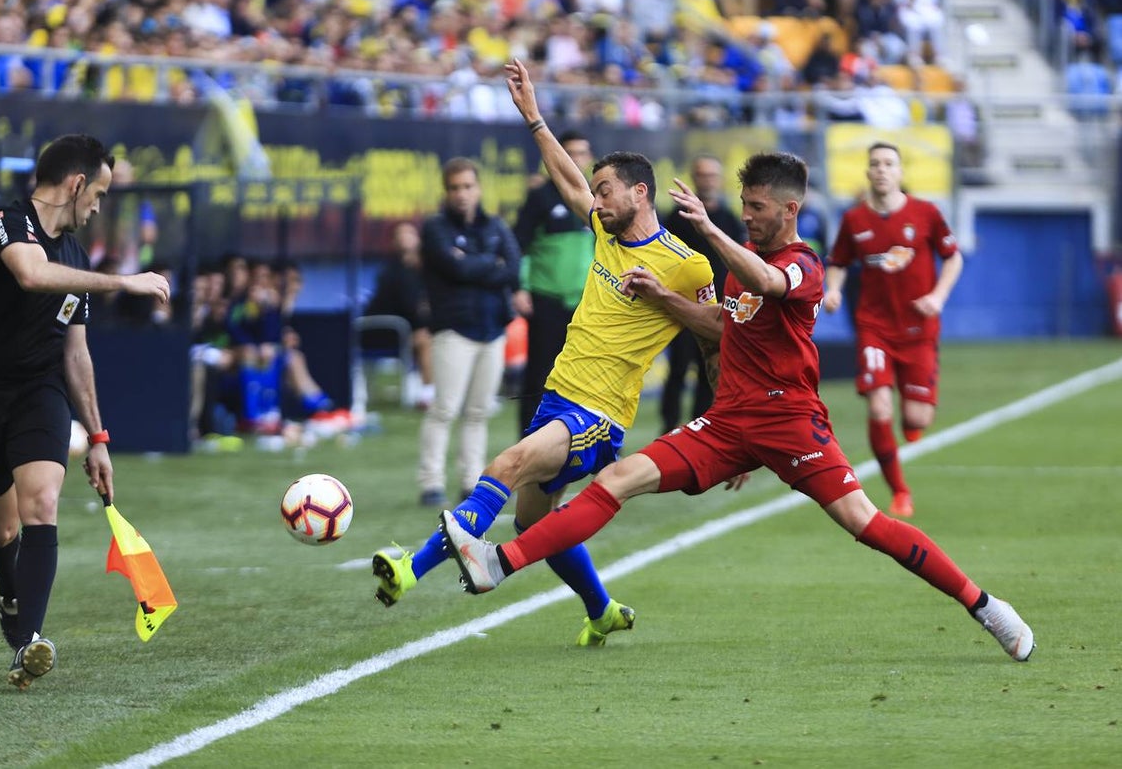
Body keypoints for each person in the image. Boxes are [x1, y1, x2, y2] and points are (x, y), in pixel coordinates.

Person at [441, 151, 1034, 663]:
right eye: (743, 205)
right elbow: (723, 334)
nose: (747, 215)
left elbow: (769, 285)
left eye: (757, 207)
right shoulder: (739, 263)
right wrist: (671, 299)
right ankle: (501, 562)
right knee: (618, 478)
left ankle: (983, 605)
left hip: (791, 422)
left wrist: (710, 228)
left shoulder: (802, 263)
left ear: (789, 210)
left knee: (864, 524)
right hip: (727, 424)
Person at [373, 58, 716, 646]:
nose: (596, 198)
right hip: (559, 397)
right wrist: (533, 117)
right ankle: (602, 609)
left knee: (502, 466)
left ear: (640, 192)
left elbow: (716, 330)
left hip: (599, 415)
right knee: (537, 523)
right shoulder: (608, 232)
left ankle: (410, 569)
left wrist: (726, 410)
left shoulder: (687, 265)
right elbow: (569, 181)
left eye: (607, 189)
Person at [0, 133, 171, 689]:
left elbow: (75, 354)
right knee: (3, 528)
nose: (99, 207)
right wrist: (123, 283)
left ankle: (28, 644)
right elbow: (31, 274)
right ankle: (12, 593)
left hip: (38, 391)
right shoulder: (4, 223)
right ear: (77, 183)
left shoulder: (77, 257)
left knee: (41, 503)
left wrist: (99, 437)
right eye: (100, 194)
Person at [822, 142, 963, 518]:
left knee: (917, 420)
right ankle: (899, 491)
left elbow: (953, 257)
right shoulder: (854, 220)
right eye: (875, 164)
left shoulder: (926, 213)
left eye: (889, 163)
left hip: (919, 328)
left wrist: (938, 296)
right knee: (880, 406)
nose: (882, 169)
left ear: (900, 172)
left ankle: (914, 418)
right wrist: (833, 289)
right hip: (875, 327)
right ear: (868, 173)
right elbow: (837, 262)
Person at [415, 157, 522, 508]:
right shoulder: (435, 228)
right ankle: (431, 482)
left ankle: (470, 480)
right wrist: (491, 264)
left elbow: (514, 267)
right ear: (446, 192)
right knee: (444, 408)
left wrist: (474, 264)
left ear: (478, 188)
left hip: (492, 329)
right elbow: (454, 268)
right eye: (455, 188)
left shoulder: (494, 225)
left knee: (478, 411)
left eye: (467, 186)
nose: (462, 194)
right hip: (454, 330)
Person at [511, 130, 595, 434]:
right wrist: (520, 287)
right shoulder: (540, 198)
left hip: (586, 302)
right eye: (568, 153)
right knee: (539, 376)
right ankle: (528, 438)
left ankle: (585, 440)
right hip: (546, 298)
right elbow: (518, 245)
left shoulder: (596, 199)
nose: (575, 159)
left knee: (588, 376)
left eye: (581, 153)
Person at [658, 153, 746, 435]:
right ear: (694, 178)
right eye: (702, 175)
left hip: (717, 309)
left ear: (719, 180)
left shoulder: (730, 219)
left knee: (712, 370)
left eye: (712, 175)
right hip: (683, 307)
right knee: (678, 369)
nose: (707, 180)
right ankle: (669, 425)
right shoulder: (678, 217)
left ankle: (700, 426)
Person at [364, 221, 435, 409]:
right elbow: (410, 308)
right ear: (394, 242)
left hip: (408, 329)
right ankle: (428, 396)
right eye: (400, 235)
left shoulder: (426, 271)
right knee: (425, 338)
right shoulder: (391, 272)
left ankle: (452, 393)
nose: (405, 239)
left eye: (410, 233)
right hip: (385, 332)